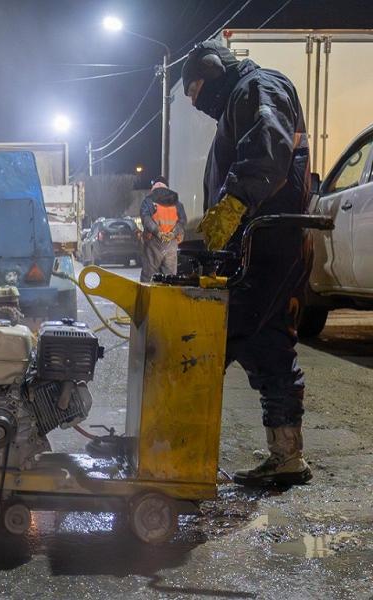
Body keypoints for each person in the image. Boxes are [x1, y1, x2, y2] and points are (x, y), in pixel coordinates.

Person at [182, 41, 312, 486]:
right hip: (266, 237)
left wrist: (235, 200)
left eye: (196, 90)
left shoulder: (258, 88)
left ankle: (176, 452)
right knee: (269, 344)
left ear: (215, 70)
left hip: (266, 237)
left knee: (209, 342)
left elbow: (267, 146)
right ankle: (287, 454)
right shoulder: (242, 95)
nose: (197, 102)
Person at [139, 175, 186, 282]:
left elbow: (146, 218)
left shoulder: (148, 201)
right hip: (171, 244)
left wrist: (158, 232)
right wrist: (173, 234)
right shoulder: (176, 203)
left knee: (148, 278)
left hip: (153, 243)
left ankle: (147, 298)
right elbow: (182, 221)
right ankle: (167, 298)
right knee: (169, 279)